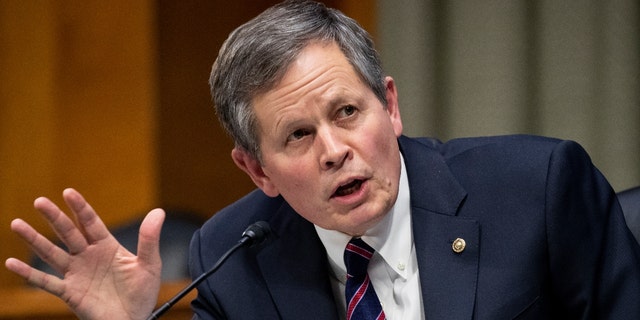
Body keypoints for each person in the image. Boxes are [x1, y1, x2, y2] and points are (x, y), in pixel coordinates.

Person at [5, 1, 640, 319]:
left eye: (346, 114)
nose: (335, 152)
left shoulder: (538, 189)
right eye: (298, 137)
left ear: (389, 107)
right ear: (257, 172)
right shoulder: (233, 258)